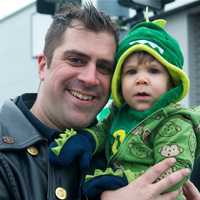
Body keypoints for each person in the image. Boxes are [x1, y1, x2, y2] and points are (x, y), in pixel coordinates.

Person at [0, 2, 199, 200]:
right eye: (76, 60)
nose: (90, 78)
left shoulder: (116, 141)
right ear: (43, 66)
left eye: (104, 67)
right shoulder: (5, 157)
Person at [48, 17, 200, 199]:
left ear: (171, 83)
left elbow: (175, 172)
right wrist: (86, 140)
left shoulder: (176, 122)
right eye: (131, 71)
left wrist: (124, 180)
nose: (141, 79)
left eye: (153, 71)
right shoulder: (118, 113)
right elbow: (103, 130)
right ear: (118, 83)